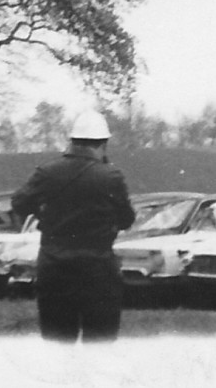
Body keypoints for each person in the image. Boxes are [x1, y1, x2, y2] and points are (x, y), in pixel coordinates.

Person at [12, 109, 136, 343]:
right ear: (102, 143)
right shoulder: (111, 176)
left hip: (54, 269)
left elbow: (19, 203)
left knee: (58, 345)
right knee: (100, 346)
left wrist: (44, 216)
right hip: (98, 271)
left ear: (72, 141)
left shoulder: (47, 172)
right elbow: (127, 219)